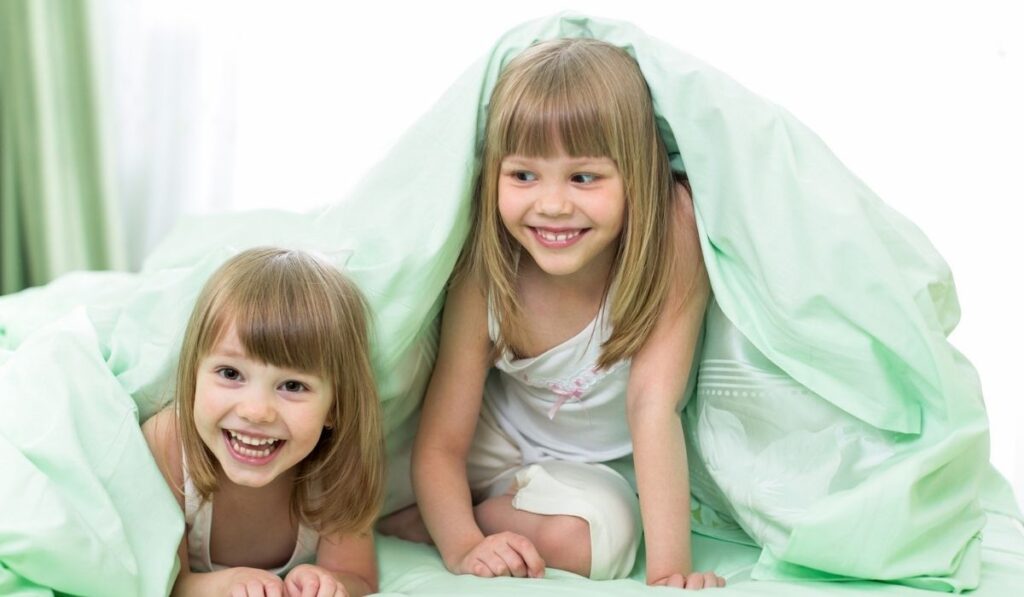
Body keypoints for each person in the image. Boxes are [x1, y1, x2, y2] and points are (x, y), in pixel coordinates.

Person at [382, 38, 724, 589]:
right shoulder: (488, 266)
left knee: (594, 542)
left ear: (635, 173)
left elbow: (651, 404)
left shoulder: (671, 229)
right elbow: (442, 440)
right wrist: (465, 548)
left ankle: (441, 518)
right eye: (523, 176)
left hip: (586, 471)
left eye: (583, 177)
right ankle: (447, 516)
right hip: (485, 447)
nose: (552, 205)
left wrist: (670, 573)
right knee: (360, 476)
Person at [144, 247, 384, 597]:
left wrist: (327, 584)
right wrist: (223, 587)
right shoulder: (168, 444)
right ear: (194, 376)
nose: (256, 411)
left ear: (336, 405)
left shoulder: (339, 465)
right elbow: (162, 584)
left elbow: (357, 577)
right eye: (230, 373)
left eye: (292, 385)